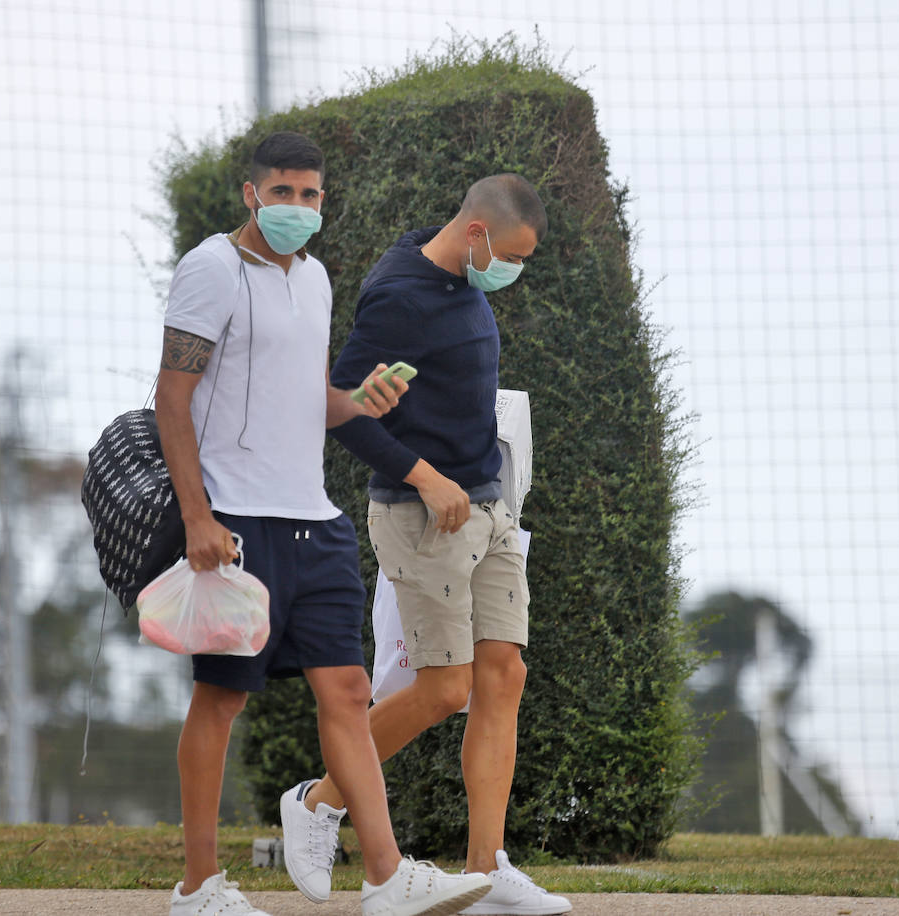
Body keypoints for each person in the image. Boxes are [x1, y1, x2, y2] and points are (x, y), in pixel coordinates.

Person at [157, 131, 492, 916]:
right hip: (236, 521)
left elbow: (311, 401)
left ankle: (385, 877)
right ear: (252, 195)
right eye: (283, 193)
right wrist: (197, 517)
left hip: (316, 519)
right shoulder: (210, 270)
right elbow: (173, 399)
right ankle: (198, 890)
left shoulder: (316, 278)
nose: (298, 208)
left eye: (311, 195)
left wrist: (360, 402)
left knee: (345, 690)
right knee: (219, 700)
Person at [279, 174, 570, 916]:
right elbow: (338, 407)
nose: (513, 271)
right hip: (423, 514)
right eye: (509, 255)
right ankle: (316, 804)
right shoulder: (399, 293)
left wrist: (483, 492)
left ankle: (486, 868)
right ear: (475, 234)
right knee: (444, 690)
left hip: (490, 510)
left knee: (503, 677)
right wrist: (425, 477)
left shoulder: (460, 277)